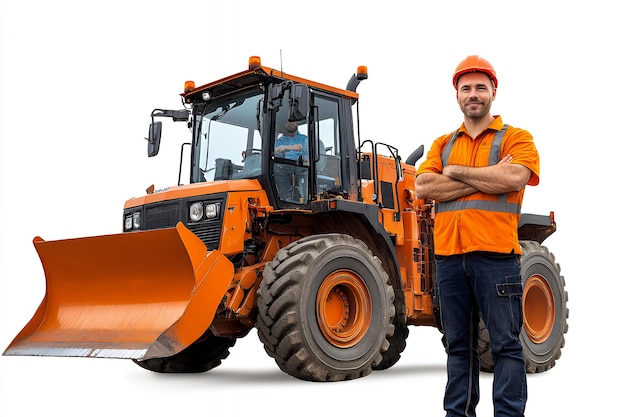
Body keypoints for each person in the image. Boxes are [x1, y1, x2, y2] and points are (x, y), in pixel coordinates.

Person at [414, 55, 540, 417]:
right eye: (466, 88)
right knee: (458, 347)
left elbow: (515, 178)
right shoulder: (442, 144)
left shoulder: (516, 138)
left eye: (480, 88)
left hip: (497, 259)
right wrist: (484, 176)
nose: (473, 94)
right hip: (450, 259)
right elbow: (423, 186)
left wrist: (453, 176)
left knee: (505, 346)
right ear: (456, 95)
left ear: (493, 92)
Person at [274, 120, 309, 202]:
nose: (290, 124)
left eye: (292, 121)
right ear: (284, 125)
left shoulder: (304, 138)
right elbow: (275, 151)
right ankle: (284, 199)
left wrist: (286, 148)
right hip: (285, 166)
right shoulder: (281, 140)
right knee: (276, 170)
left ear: (297, 123)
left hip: (301, 166)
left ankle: (303, 198)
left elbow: (303, 147)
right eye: (287, 122)